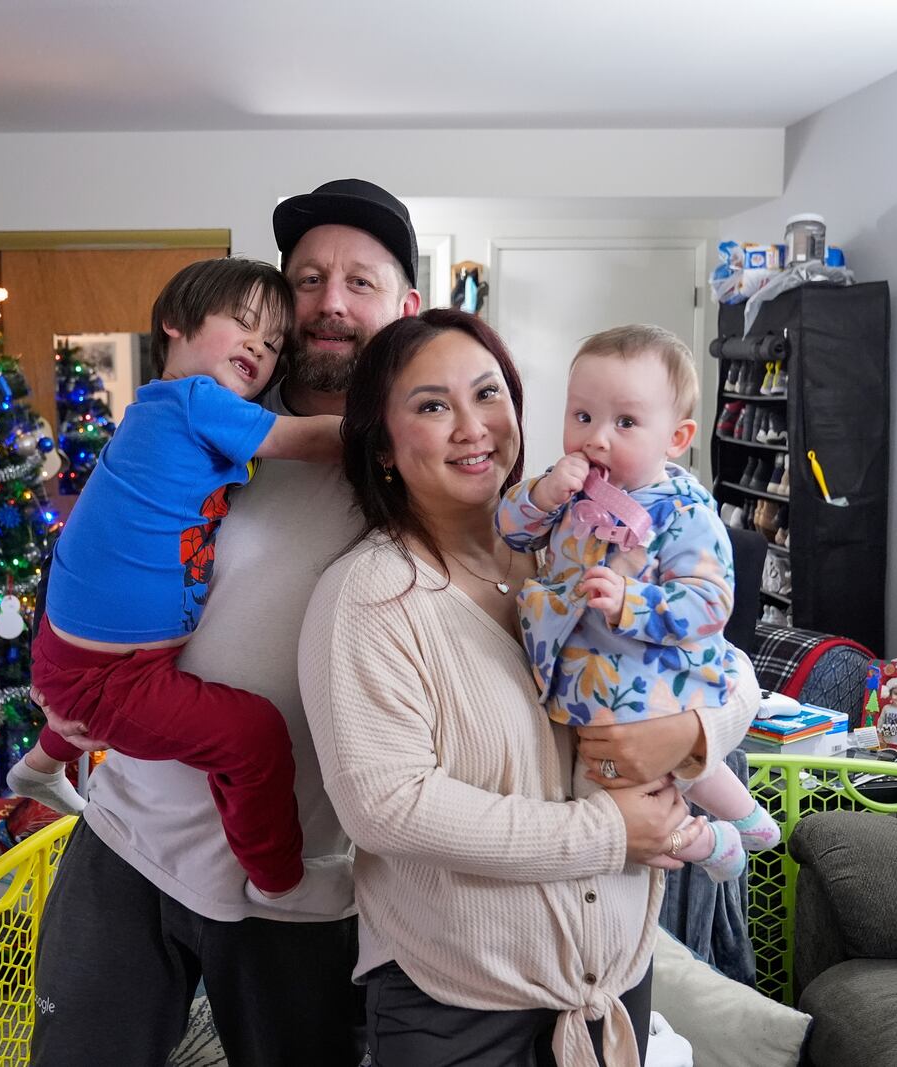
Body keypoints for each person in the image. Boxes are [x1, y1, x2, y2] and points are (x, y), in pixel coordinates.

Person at [28, 179, 421, 1067]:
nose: (329, 302)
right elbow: (104, 557)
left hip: (296, 884)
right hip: (126, 835)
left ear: (405, 307)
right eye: (309, 278)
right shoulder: (204, 423)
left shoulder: (421, 469)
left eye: (360, 281)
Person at [301, 310, 761, 1067]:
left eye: (488, 394)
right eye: (431, 405)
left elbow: (727, 664)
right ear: (382, 447)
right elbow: (386, 807)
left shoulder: (565, 547)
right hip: (459, 1010)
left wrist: (689, 737)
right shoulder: (368, 596)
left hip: (614, 987)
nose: (472, 427)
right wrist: (609, 833)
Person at [7, 256, 353, 914]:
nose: (261, 345)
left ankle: (40, 764)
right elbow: (307, 439)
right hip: (112, 672)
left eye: (275, 343)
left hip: (82, 650)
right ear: (173, 323)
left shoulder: (153, 412)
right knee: (251, 736)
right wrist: (404, 426)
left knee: (97, 704)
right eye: (245, 325)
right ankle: (279, 881)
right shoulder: (199, 403)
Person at [495, 326, 780, 882]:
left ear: (676, 438)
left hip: (657, 679)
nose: (596, 439)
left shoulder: (686, 515)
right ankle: (746, 817)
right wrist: (541, 495)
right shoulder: (565, 492)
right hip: (590, 679)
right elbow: (509, 532)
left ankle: (707, 840)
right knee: (678, 769)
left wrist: (634, 601)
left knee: (609, 791)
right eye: (582, 416)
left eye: (625, 422)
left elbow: (710, 603)